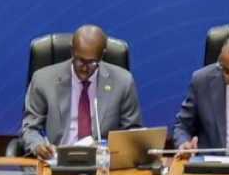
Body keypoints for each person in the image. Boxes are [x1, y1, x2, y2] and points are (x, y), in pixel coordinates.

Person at [19, 25, 142, 160]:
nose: (83, 68)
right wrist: (38, 146)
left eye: (91, 62)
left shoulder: (123, 81)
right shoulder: (43, 80)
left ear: (102, 55)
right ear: (72, 50)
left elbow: (131, 133)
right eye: (79, 60)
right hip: (57, 163)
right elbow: (29, 129)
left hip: (102, 164)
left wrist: (107, 147)